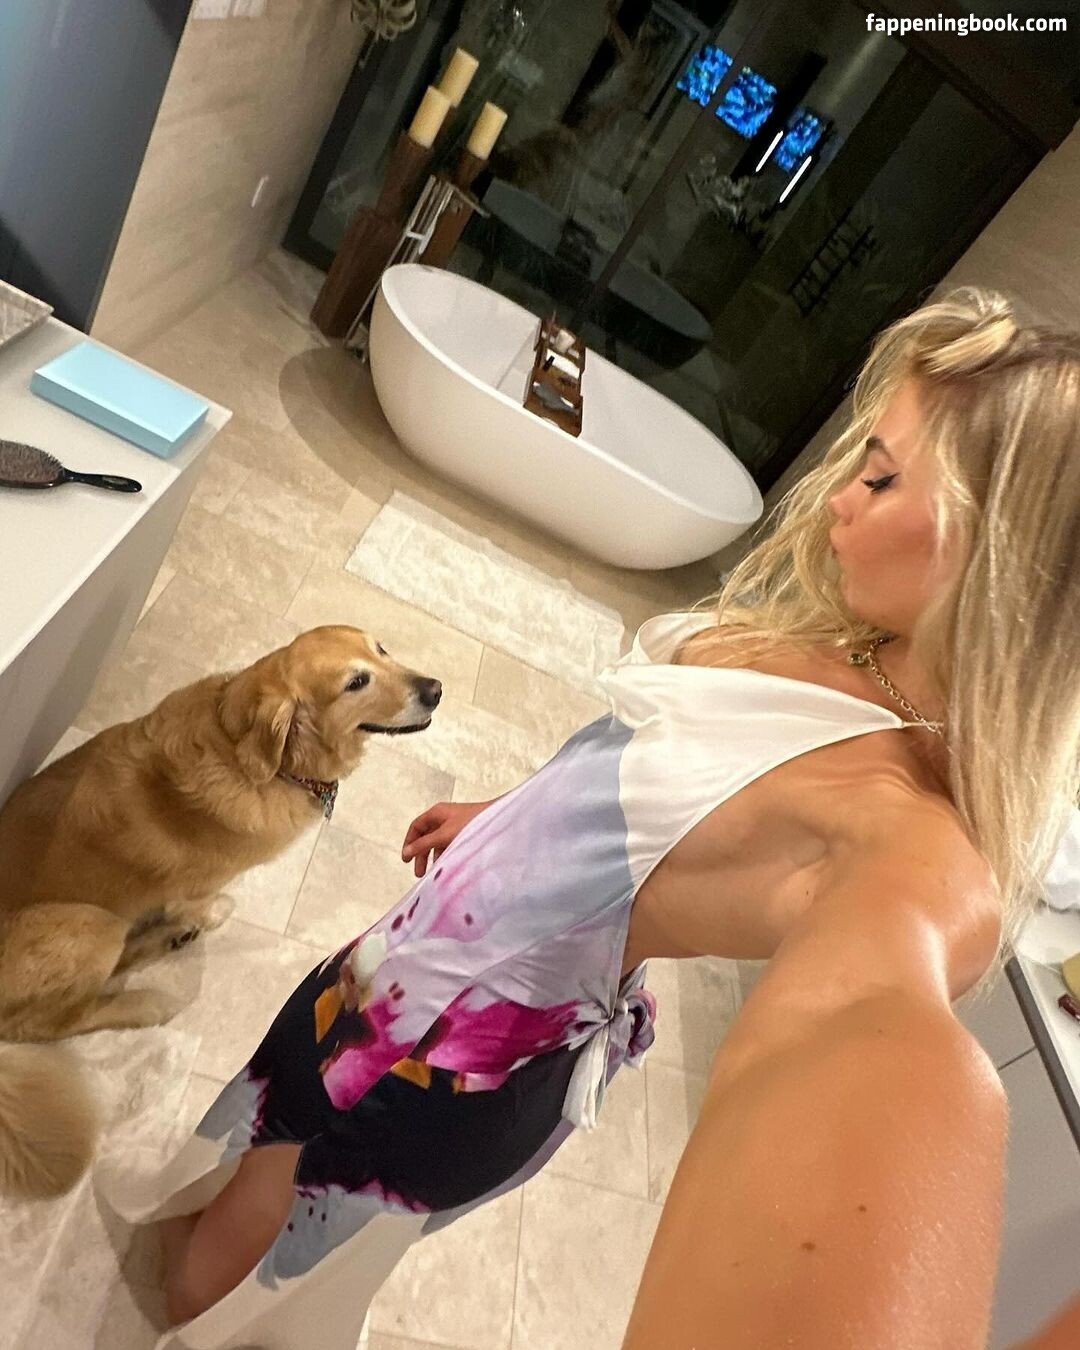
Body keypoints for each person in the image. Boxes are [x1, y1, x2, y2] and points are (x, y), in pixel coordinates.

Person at [99, 286, 1080, 1350]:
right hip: (410, 964)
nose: (840, 496)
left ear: (996, 551)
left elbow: (887, 1019)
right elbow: (637, 790)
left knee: (224, 1275)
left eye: (882, 477)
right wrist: (502, 821)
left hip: (455, 1063)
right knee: (251, 1159)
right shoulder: (870, 648)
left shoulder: (909, 834)